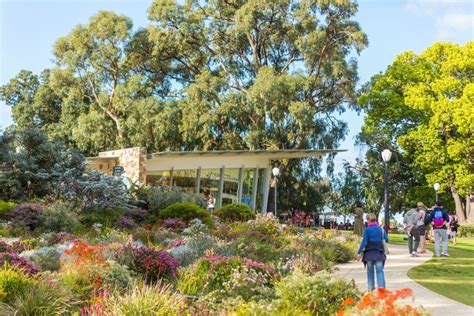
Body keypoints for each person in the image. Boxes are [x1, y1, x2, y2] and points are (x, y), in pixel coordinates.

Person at [356, 213, 389, 291]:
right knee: (380, 271)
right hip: (379, 254)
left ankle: (371, 288)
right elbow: (386, 239)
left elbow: (364, 243)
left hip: (369, 254)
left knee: (370, 272)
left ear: (368, 220)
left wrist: (358, 253)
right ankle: (381, 289)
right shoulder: (381, 229)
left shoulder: (367, 230)